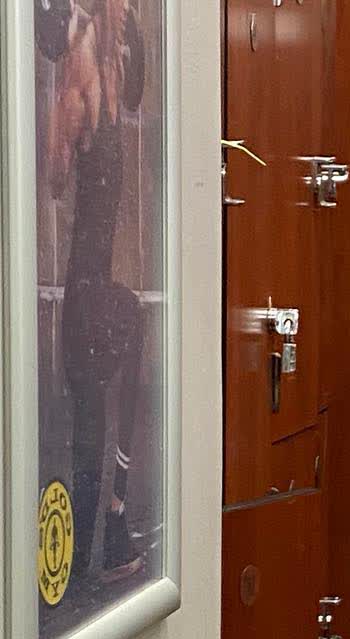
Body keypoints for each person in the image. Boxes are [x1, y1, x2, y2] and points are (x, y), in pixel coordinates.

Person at [43, 0, 146, 586]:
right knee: (88, 429)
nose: (130, 8)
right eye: (124, 1)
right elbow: (55, 179)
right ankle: (106, 528)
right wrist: (65, 117)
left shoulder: (110, 67)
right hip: (83, 288)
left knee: (92, 430)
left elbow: (134, 94)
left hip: (92, 284)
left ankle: (96, 546)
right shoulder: (82, 61)